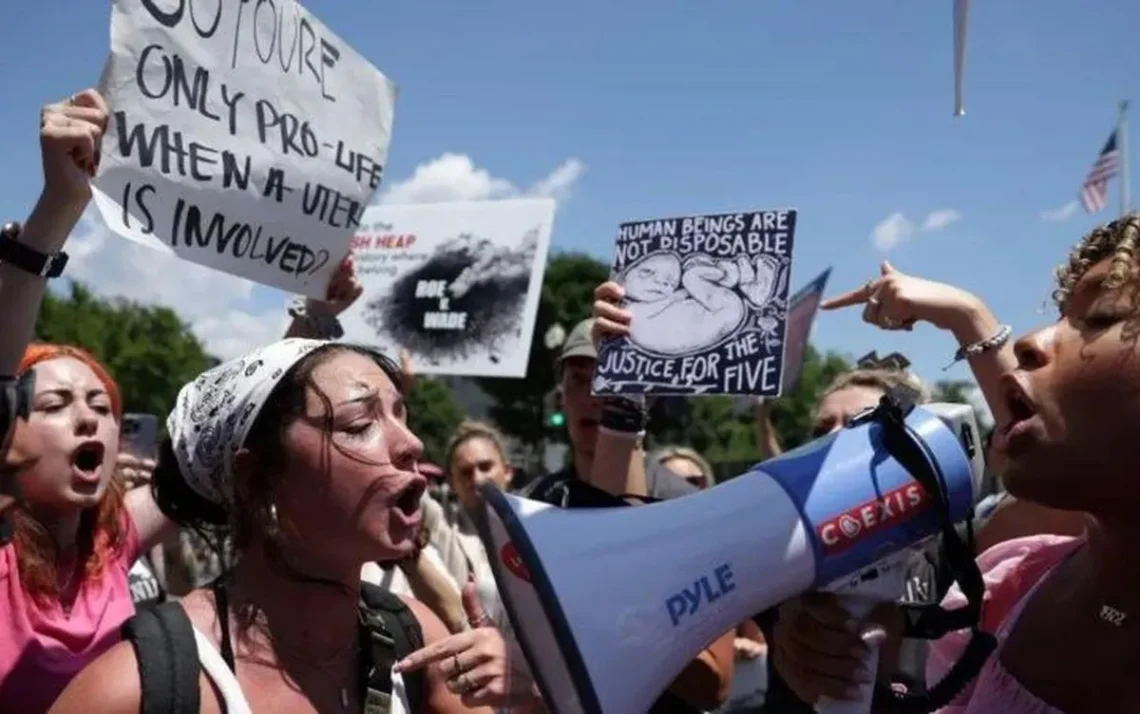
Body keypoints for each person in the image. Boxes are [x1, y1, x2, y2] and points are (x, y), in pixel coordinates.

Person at [772, 217, 1140, 711]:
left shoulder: (976, 541)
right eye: (823, 430)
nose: (1033, 341)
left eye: (1100, 315)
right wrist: (841, 683)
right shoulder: (1011, 581)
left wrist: (968, 317)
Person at [50, 340, 493, 713]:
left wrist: (524, 691)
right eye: (360, 424)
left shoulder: (418, 644)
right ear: (256, 481)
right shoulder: (139, 687)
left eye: (402, 415)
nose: (411, 443)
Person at [0, 344, 171, 712]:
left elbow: (223, 437)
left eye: (101, 406)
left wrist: (314, 311)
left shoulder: (112, 539)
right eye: (54, 405)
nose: (88, 419)